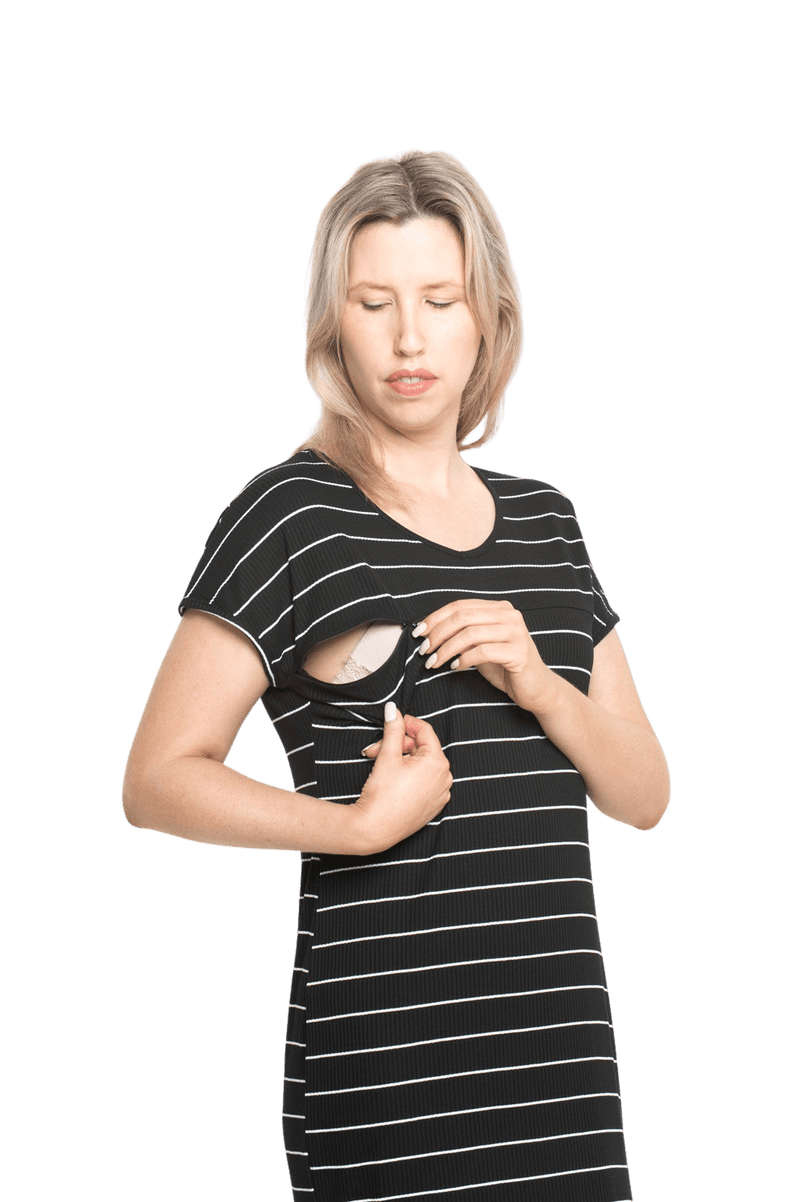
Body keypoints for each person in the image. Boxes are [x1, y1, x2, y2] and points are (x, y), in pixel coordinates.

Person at [122, 147, 670, 1201]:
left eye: (439, 300)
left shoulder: (549, 520)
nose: (409, 338)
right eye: (373, 303)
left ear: (488, 319)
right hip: (391, 1079)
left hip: (562, 1077)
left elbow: (643, 795)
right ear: (332, 325)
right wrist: (357, 826)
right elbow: (156, 778)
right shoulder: (287, 514)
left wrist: (537, 680)